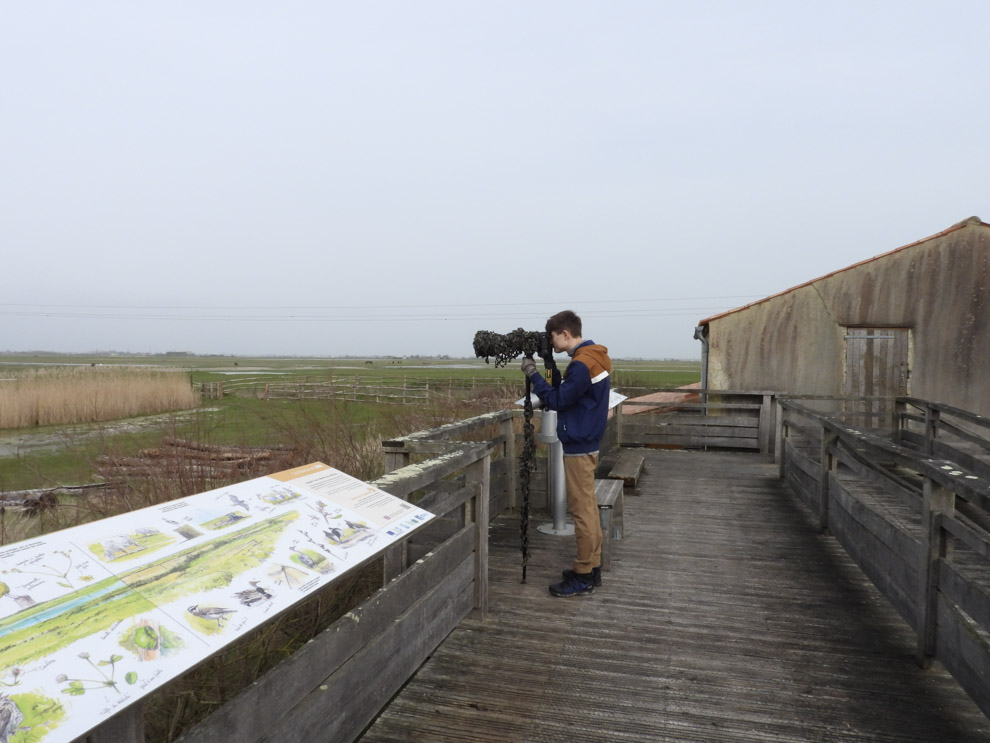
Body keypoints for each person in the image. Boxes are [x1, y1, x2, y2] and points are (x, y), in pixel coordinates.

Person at [521, 310, 611, 597]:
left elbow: (558, 400)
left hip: (579, 445)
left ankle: (583, 574)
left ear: (565, 333)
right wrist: (548, 366)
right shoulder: (592, 357)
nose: (551, 341)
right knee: (588, 510)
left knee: (581, 511)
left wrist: (534, 375)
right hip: (587, 441)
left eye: (552, 337)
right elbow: (569, 392)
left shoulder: (582, 364)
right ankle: (591, 566)